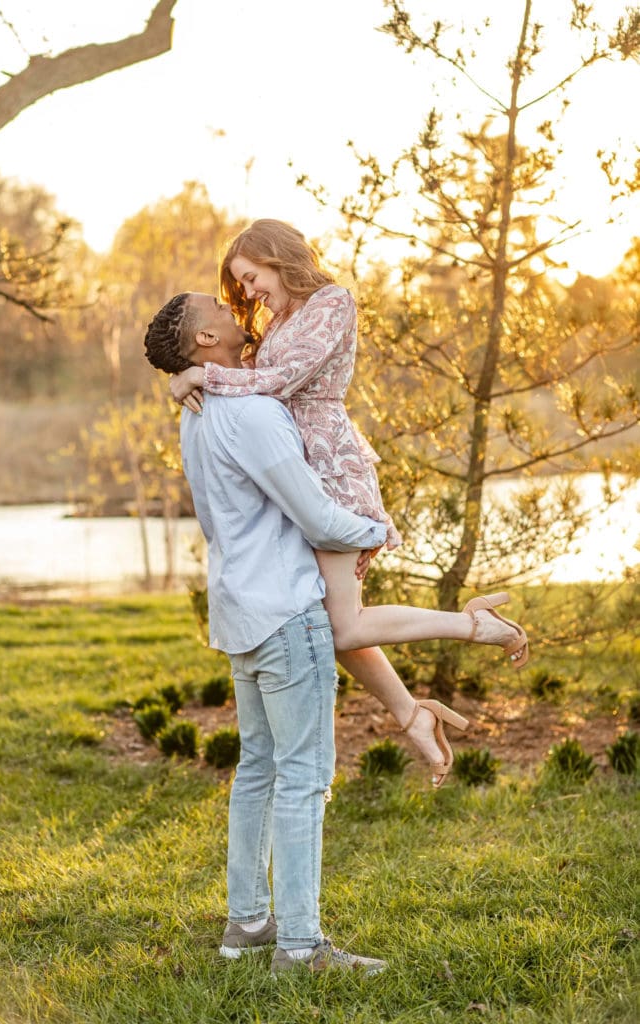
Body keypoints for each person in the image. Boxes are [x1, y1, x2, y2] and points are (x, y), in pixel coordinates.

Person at [168, 220, 529, 787]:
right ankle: (413, 714)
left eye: (251, 277)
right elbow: (251, 381)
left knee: (344, 627)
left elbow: (282, 378)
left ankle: (472, 627)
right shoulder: (275, 318)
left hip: (332, 471)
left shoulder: (331, 303)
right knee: (334, 625)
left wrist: (199, 373)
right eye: (241, 285)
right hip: (297, 474)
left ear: (279, 257)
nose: (249, 293)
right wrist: (192, 375)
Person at [144, 292, 389, 974]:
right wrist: (377, 532)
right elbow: (316, 517)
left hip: (240, 612)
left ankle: (248, 922)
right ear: (201, 340)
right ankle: (302, 946)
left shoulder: (197, 414)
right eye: (216, 307)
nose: (231, 305)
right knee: (303, 778)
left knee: (257, 770)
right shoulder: (252, 413)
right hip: (284, 611)